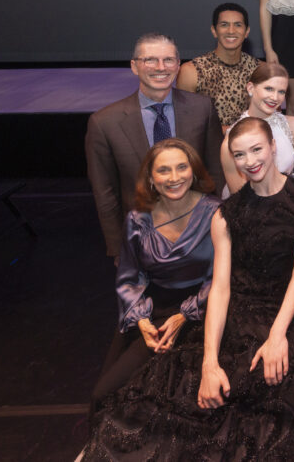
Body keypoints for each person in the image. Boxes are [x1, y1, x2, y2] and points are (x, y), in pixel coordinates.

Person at [83, 118, 294, 460]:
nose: (250, 161)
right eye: (239, 154)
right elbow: (220, 289)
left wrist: (278, 335)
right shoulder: (226, 215)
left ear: (273, 147)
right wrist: (209, 362)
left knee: (261, 399)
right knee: (188, 397)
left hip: (284, 315)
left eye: (256, 150)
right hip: (238, 314)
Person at [90, 139, 219, 405]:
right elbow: (129, 277)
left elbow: (223, 276)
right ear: (150, 177)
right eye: (163, 170)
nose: (174, 177)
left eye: (182, 167)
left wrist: (184, 315)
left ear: (193, 171)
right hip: (152, 310)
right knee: (106, 394)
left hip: (204, 310)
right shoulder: (137, 219)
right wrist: (142, 321)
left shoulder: (216, 212)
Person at [85, 32, 224, 259]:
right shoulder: (104, 123)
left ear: (178, 65)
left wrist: (213, 225)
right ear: (134, 66)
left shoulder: (203, 109)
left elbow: (216, 171)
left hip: (200, 237)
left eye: (168, 60)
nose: (161, 67)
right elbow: (105, 195)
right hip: (142, 243)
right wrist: (118, 250)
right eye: (150, 60)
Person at [220, 62, 294, 194]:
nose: (275, 97)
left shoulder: (293, 125)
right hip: (252, 208)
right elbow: (240, 195)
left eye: (281, 91)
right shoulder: (232, 139)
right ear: (250, 88)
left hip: (292, 199)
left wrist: (293, 202)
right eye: (269, 89)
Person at [177, 3, 260, 128]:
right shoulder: (192, 71)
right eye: (224, 25)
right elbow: (184, 121)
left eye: (238, 25)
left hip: (252, 143)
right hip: (208, 145)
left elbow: (273, 117)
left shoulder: (259, 69)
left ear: (246, 31)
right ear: (214, 31)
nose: (231, 31)